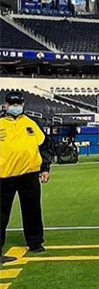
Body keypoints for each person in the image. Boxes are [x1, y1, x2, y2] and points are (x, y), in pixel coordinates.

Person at [1, 92, 52, 262]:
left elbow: (44, 146)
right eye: (12, 103)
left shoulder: (32, 123)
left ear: (23, 104)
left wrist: (45, 168)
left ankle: (35, 242)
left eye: (18, 103)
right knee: (1, 214)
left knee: (32, 210)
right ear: (5, 105)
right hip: (4, 176)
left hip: (29, 175)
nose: (15, 106)